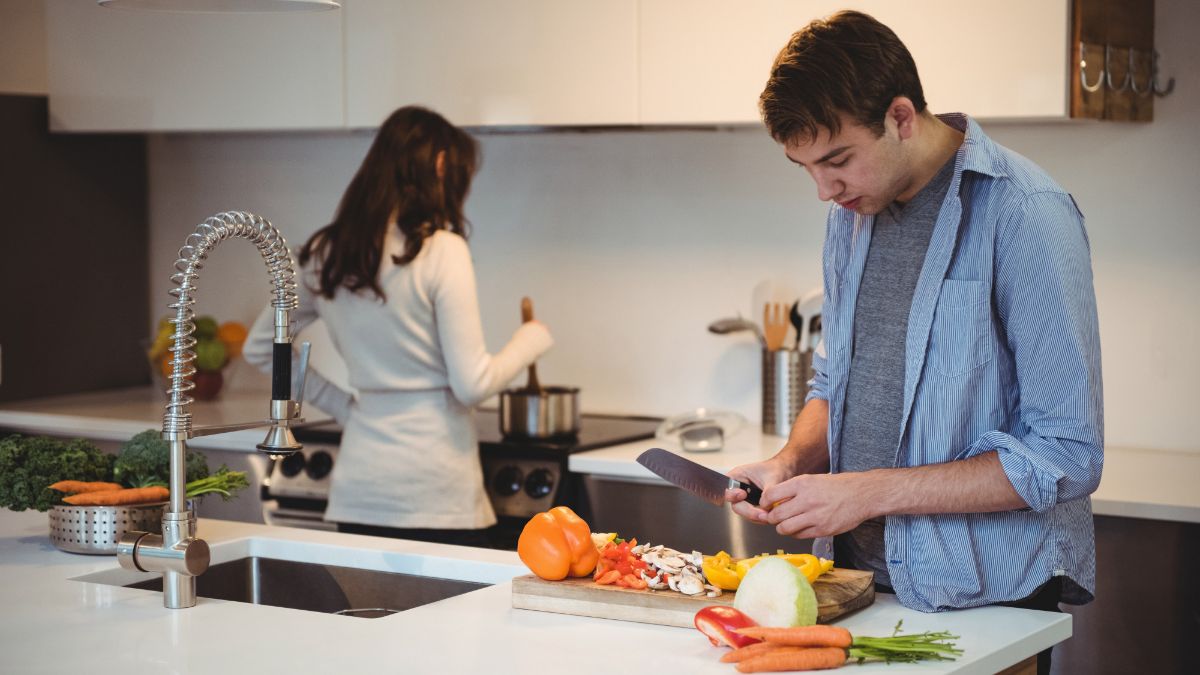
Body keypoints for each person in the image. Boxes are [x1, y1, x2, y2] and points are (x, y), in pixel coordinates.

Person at [725, 11, 1102, 673]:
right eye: (806, 168)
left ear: (901, 116)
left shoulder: (1025, 213)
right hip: (855, 594)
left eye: (837, 160)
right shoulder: (850, 217)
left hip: (984, 605)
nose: (824, 190)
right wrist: (790, 463)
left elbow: (1066, 454)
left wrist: (865, 492)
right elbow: (832, 383)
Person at [244, 106, 553, 547]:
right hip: (438, 492)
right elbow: (472, 384)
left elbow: (262, 347)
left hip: (361, 488)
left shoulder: (325, 254)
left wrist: (347, 407)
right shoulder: (442, 250)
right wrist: (530, 342)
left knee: (372, 615)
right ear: (441, 165)